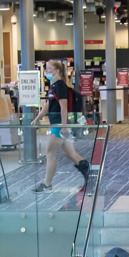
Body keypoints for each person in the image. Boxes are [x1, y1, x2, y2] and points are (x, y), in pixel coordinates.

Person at [32, 60, 90, 192]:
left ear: (57, 71)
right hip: (58, 124)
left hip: (59, 124)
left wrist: (63, 126)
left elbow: (64, 107)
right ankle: (89, 173)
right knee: (70, 154)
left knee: (50, 153)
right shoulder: (53, 86)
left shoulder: (60, 86)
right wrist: (37, 118)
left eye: (49, 69)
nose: (47, 72)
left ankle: (47, 184)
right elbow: (47, 106)